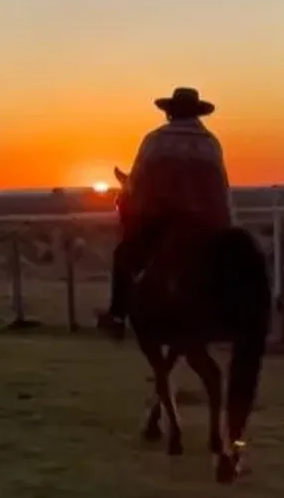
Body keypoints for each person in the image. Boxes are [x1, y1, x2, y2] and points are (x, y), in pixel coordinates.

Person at [97, 87, 233, 340]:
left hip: (162, 221)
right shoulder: (211, 143)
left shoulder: (155, 140)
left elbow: (136, 182)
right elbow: (221, 188)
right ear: (198, 113)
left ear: (169, 112)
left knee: (124, 255)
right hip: (208, 223)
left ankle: (117, 316)